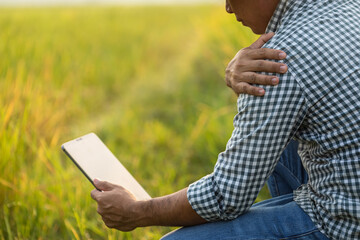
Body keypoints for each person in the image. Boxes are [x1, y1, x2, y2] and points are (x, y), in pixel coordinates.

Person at [91, 0, 360, 239]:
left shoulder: (278, 61)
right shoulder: (342, 6)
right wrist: (235, 72)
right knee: (277, 130)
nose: (228, 8)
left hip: (343, 224)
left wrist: (139, 211)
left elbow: (225, 196)